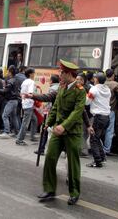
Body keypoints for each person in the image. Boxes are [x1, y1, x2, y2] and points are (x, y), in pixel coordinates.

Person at [38, 60, 86, 205]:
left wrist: (64, 126)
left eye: (62, 72)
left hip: (72, 132)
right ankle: (49, 189)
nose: (60, 74)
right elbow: (56, 108)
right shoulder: (61, 87)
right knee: (50, 157)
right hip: (58, 130)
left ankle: (74, 193)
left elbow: (77, 112)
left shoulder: (80, 90)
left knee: (73, 164)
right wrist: (48, 123)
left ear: (69, 74)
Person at [86, 72, 111, 168]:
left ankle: (97, 161)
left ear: (96, 79)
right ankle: (102, 157)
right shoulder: (107, 89)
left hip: (98, 117)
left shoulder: (94, 89)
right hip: (106, 117)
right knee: (98, 138)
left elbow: (87, 102)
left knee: (93, 139)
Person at [0, 65, 20, 138]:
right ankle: (17, 132)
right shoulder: (16, 79)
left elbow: (6, 91)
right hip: (15, 100)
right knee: (13, 117)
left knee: (5, 115)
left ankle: (6, 132)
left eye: (8, 71)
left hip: (11, 101)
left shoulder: (11, 81)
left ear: (10, 72)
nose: (7, 72)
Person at [104, 69, 118, 155]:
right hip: (111, 109)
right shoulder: (115, 84)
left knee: (101, 129)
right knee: (109, 130)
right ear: (113, 75)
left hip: (102, 109)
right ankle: (107, 149)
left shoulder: (102, 83)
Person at [16, 68, 37, 145]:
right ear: (30, 74)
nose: (34, 75)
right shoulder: (31, 82)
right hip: (29, 104)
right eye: (34, 73)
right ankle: (19, 139)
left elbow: (21, 93)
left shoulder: (24, 81)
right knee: (25, 123)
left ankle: (33, 136)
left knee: (34, 119)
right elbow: (30, 93)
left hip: (25, 103)